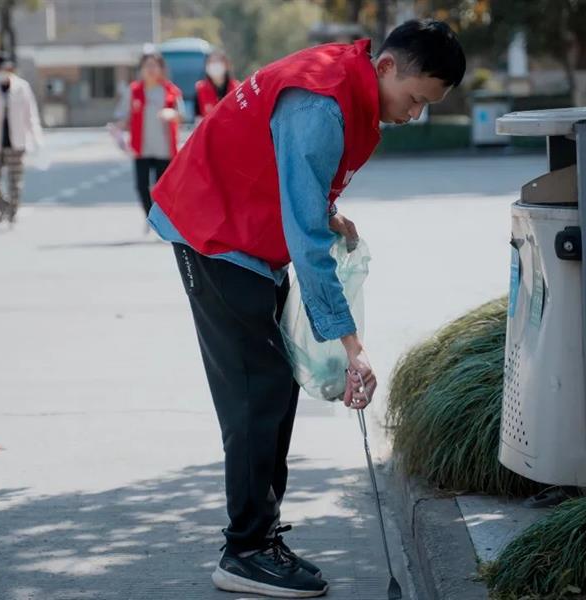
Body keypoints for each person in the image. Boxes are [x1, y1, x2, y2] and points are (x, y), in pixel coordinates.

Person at [149, 19, 465, 598]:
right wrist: (351, 346)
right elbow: (305, 240)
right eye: (415, 99)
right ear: (387, 67)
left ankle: (260, 538)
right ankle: (245, 551)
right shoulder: (321, 102)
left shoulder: (348, 77)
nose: (414, 113)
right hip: (213, 232)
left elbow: (299, 185)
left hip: (244, 232)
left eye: (427, 106)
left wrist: (328, 212)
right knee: (257, 393)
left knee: (272, 387)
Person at [113, 52, 186, 224]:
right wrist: (118, 128)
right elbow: (124, 117)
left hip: (165, 150)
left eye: (155, 65)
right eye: (147, 66)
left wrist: (172, 114)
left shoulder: (171, 91)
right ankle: (150, 218)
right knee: (141, 186)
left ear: (161, 68)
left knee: (162, 190)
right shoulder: (134, 91)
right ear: (141, 69)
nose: (151, 69)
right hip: (141, 149)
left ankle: (162, 221)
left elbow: (182, 116)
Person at [0, 52, 42, 225]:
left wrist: (36, 139)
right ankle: (3, 206)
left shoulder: (22, 87)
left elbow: (31, 114)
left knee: (15, 181)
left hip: (16, 142)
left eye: (1, 69)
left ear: (9, 69)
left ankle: (12, 210)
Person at [194, 49, 239, 120]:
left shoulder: (236, 88)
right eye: (211, 62)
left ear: (226, 65)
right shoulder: (200, 89)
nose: (214, 65)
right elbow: (198, 117)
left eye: (218, 61)